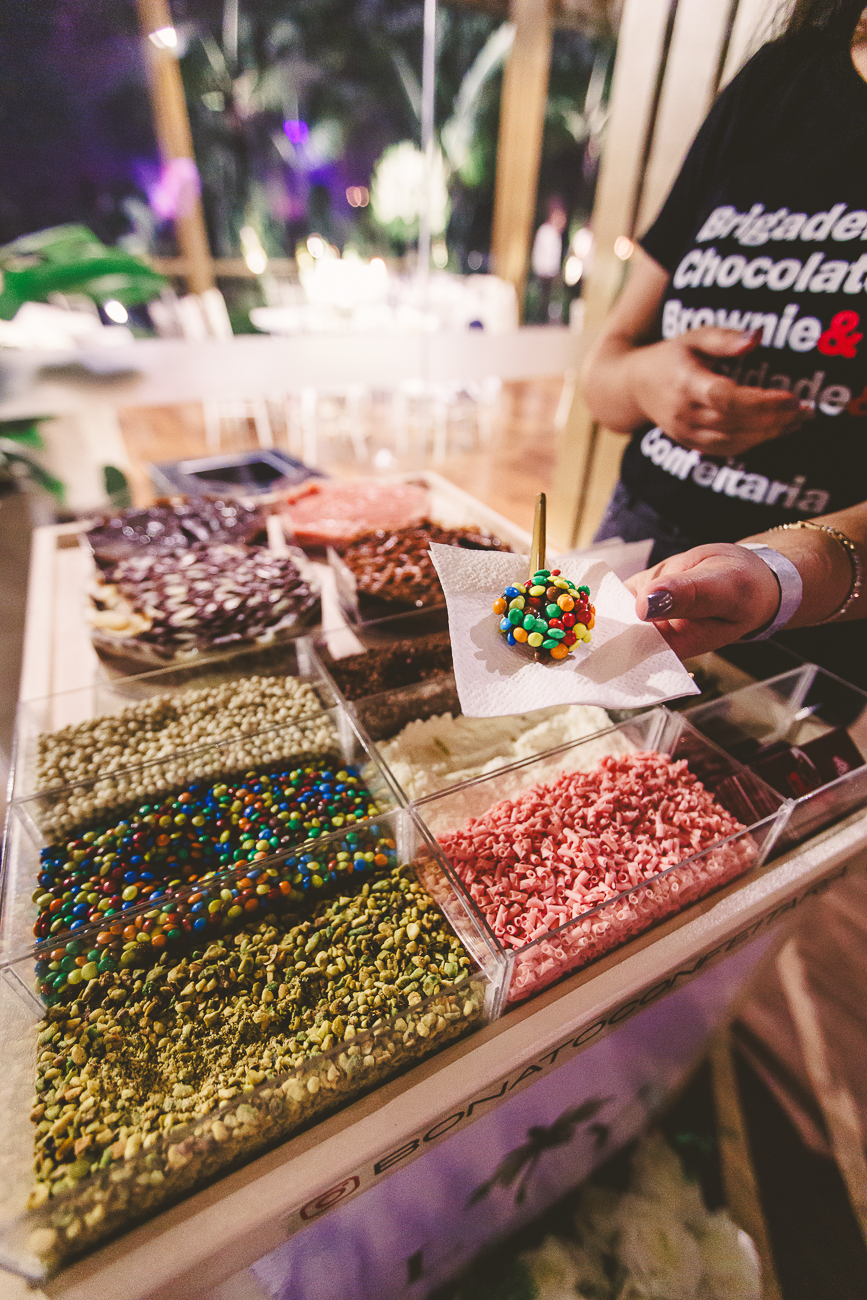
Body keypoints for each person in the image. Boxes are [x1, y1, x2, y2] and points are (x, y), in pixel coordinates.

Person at [581, 0, 867, 684]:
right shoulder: (781, 78)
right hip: (631, 539)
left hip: (812, 626)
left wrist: (776, 577)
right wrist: (645, 380)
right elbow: (602, 378)